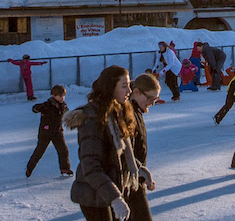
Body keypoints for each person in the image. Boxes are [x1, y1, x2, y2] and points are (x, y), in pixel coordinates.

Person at [64, 65, 153, 221]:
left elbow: (120, 154)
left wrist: (140, 170)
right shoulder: (93, 119)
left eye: (129, 86)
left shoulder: (117, 112)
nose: (129, 91)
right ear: (110, 88)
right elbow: (91, 167)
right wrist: (115, 198)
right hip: (94, 196)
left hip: (109, 191)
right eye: (124, 86)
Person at [127, 73, 160, 221]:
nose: (152, 103)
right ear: (137, 92)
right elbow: (124, 151)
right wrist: (141, 171)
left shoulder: (137, 111)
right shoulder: (128, 113)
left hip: (135, 176)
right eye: (150, 98)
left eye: (156, 99)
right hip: (128, 178)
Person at [26, 84, 72, 177]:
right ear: (54, 95)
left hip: (57, 132)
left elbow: (68, 115)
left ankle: (65, 168)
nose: (62, 98)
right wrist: (37, 108)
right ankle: (29, 168)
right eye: (60, 96)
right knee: (39, 151)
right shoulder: (48, 105)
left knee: (63, 150)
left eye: (64, 96)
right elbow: (35, 108)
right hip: (45, 132)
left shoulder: (63, 106)